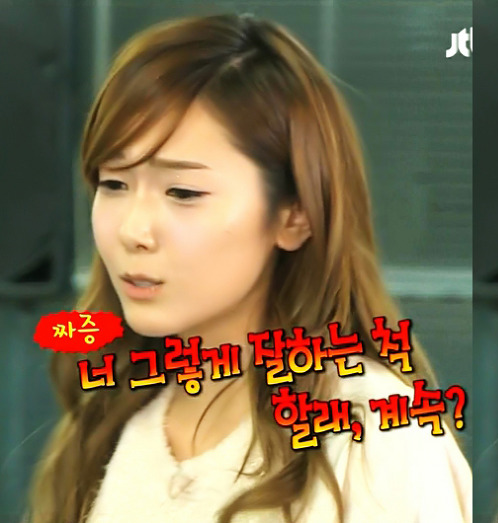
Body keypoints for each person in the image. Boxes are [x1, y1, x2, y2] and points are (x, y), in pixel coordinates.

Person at [27, 13, 471, 523]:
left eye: (182, 192)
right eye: (113, 184)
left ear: (294, 214)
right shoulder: (112, 415)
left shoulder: (376, 436)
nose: (132, 230)